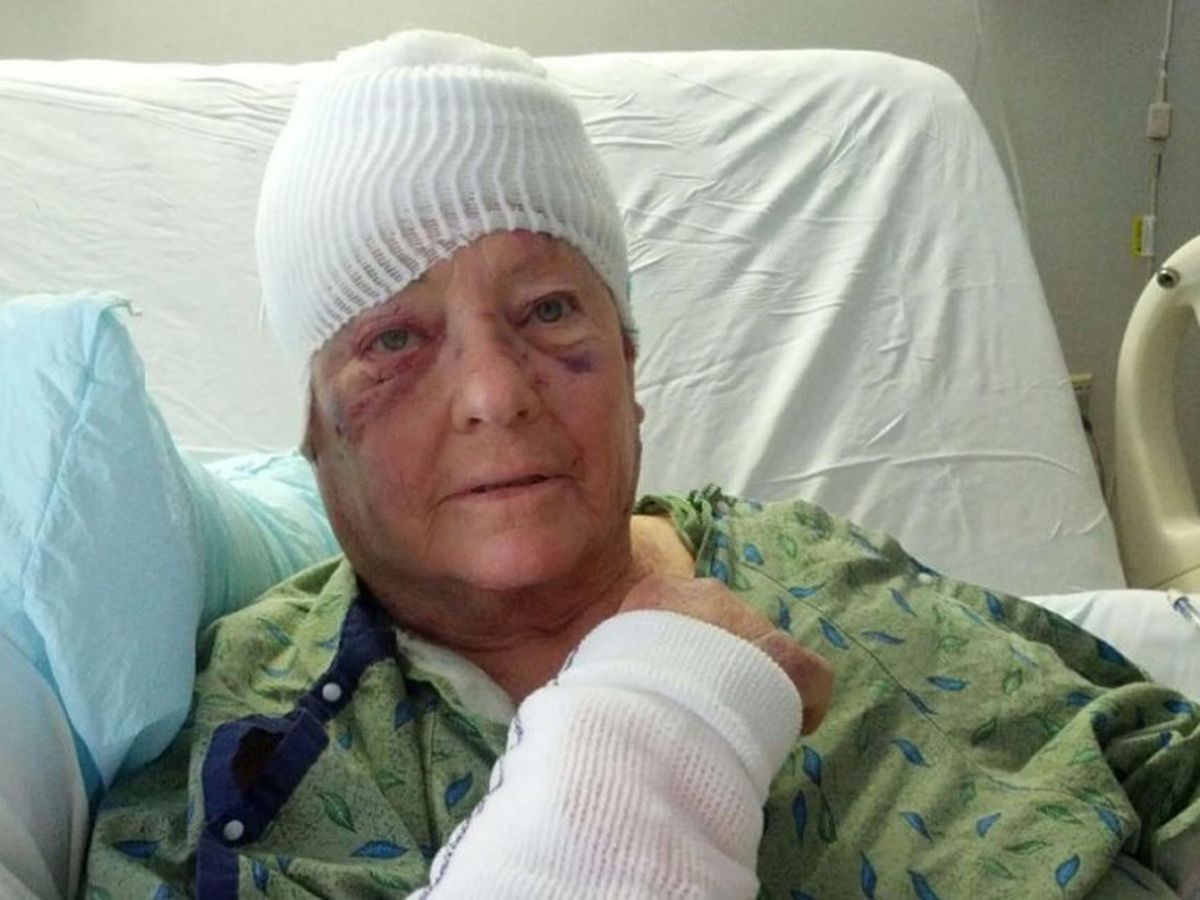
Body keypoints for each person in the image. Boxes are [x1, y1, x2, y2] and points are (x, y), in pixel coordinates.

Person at [86, 30, 1200, 899]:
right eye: (392, 340)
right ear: (314, 428)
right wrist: (658, 716)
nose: (494, 392)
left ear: (628, 364)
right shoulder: (253, 756)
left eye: (548, 309)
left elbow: (1151, 754)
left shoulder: (818, 563)